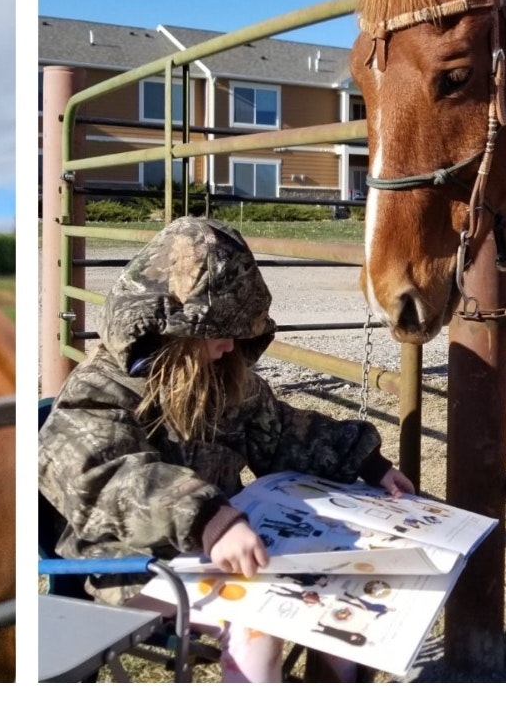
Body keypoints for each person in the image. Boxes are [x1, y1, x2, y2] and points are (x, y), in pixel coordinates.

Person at [39, 216, 414, 683]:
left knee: (341, 602)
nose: (231, 343)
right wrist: (208, 517)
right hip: (130, 567)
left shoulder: (223, 381)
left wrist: (367, 462)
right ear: (171, 329)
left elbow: (282, 432)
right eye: (219, 329)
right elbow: (106, 477)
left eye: (238, 330)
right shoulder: (97, 393)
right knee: (257, 624)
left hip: (223, 552)